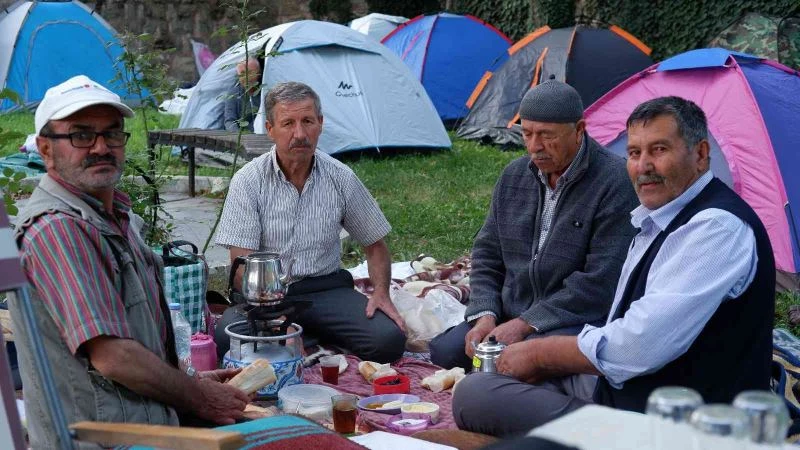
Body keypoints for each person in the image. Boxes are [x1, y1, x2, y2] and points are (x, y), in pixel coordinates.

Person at [452, 96, 775, 437]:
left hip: (671, 418)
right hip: (624, 383)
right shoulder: (662, 216)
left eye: (659, 150)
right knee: (487, 377)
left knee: (475, 395)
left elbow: (634, 346)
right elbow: (487, 250)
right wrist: (494, 318)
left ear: (700, 154)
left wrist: (538, 352)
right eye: (635, 153)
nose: (643, 166)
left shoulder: (714, 229)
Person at [7, 75, 250, 450]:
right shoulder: (57, 230)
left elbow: (138, 337)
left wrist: (188, 382)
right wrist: (199, 398)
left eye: (112, 134)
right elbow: (114, 357)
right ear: (45, 149)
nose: (101, 147)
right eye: (81, 135)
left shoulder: (114, 218)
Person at [429, 80, 639, 370]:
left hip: (571, 317)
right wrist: (485, 314)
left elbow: (600, 281)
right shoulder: (514, 176)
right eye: (526, 133)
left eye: (546, 135)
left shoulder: (615, 182)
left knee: (518, 366)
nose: (534, 146)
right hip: (508, 313)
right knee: (446, 353)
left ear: (579, 130)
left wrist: (526, 324)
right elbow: (488, 253)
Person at [215, 81, 406, 363]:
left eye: (307, 121)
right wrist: (274, 318)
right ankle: (304, 334)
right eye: (288, 123)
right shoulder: (248, 181)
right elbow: (241, 265)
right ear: (270, 129)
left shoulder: (340, 177)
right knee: (227, 336)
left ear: (320, 123)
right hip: (265, 297)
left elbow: (375, 244)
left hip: (326, 289)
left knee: (388, 340)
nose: (300, 134)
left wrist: (381, 294)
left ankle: (305, 335)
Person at [223, 57, 262, 132]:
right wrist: (240, 138)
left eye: (250, 72)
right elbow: (229, 121)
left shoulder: (265, 91)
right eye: (242, 74)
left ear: (258, 73)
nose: (247, 77)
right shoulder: (233, 94)